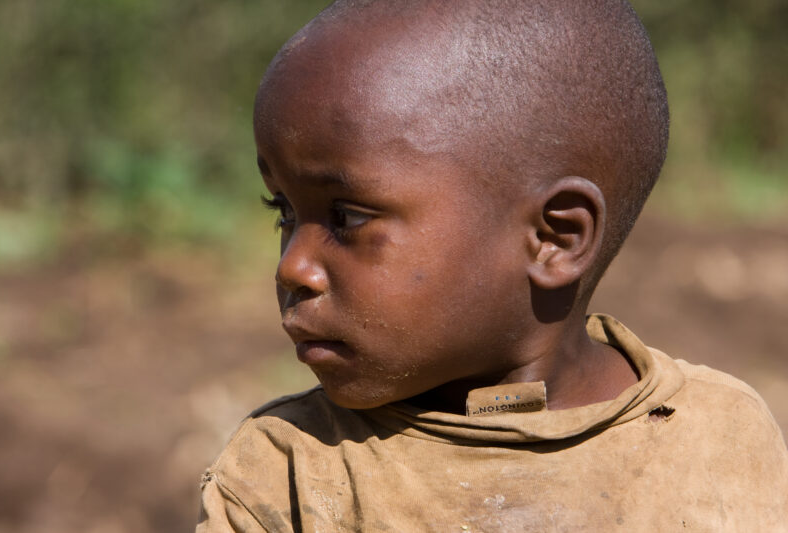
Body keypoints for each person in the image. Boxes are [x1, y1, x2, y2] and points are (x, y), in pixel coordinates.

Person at [196, 0, 788, 530]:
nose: (293, 267)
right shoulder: (288, 474)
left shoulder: (719, 441)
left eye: (347, 217)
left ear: (553, 238)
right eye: (284, 213)